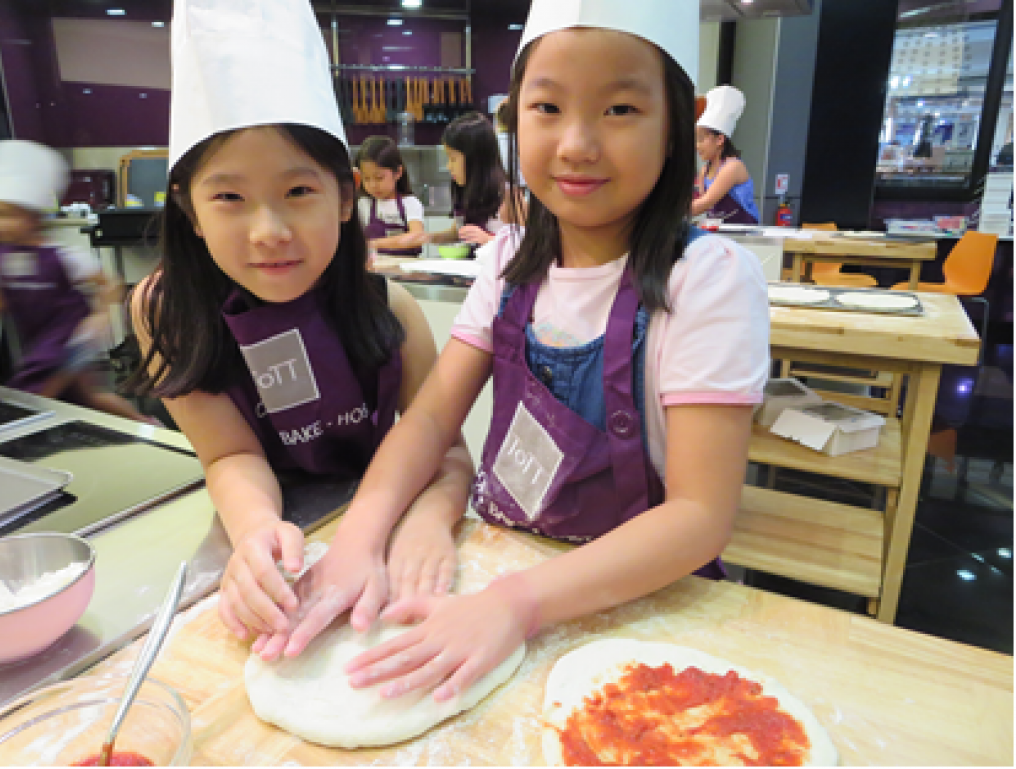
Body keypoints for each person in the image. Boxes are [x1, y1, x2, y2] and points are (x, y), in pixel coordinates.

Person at [270, 0, 770, 703]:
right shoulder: (508, 264)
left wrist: (517, 603)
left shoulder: (707, 279)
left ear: (677, 123)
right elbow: (429, 420)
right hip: (497, 567)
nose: (577, 144)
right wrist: (359, 539)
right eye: (547, 108)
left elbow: (698, 517)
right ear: (515, 117)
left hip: (641, 606)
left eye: (620, 109)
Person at [126, 0, 471, 655]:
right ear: (190, 210)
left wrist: (428, 521)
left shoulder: (391, 310)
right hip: (268, 552)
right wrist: (255, 531)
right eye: (229, 197)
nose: (269, 231)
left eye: (298, 191)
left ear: (345, 196)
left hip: (384, 530)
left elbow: (446, 451)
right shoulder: (168, 313)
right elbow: (230, 455)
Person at [0, 139, 154, 424]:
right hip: (40, 340)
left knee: (40, 392)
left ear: (32, 217)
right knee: (87, 398)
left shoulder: (63, 256)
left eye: (7, 215)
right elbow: (1, 297)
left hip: (72, 339)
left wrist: (100, 317)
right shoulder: (1, 257)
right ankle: (145, 424)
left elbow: (110, 284)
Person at [427, 112, 506, 254]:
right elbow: (458, 232)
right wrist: (426, 238)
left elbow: (528, 244)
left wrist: (488, 239)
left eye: (453, 159)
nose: (449, 166)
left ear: (475, 159)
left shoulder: (507, 196)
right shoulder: (468, 190)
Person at [692, 86, 760, 225]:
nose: (697, 146)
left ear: (719, 139)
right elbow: (698, 201)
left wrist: (666, 214)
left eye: (701, 139)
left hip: (744, 232)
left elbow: (705, 203)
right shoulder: (705, 171)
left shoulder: (732, 167)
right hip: (720, 230)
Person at [356, 136, 427, 258]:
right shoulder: (364, 204)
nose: (373, 185)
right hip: (375, 267)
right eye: (366, 178)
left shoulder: (410, 203)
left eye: (379, 178)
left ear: (398, 172)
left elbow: (417, 237)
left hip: (407, 267)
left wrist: (374, 244)